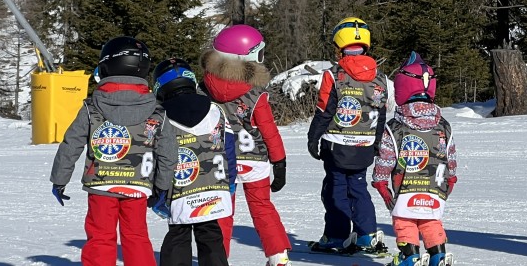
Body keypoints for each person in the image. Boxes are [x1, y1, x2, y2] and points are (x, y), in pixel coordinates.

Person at [49, 36, 177, 266]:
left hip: (101, 184)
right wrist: (162, 186)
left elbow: (72, 144)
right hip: (138, 185)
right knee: (136, 236)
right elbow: (169, 152)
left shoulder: (91, 107)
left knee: (100, 237)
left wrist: (60, 179)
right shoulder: (158, 110)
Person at [201, 24, 291, 266]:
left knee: (221, 210)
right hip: (254, 160)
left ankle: (218, 259)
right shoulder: (255, 91)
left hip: (220, 159)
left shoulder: (205, 87)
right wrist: (279, 160)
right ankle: (278, 255)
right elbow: (268, 130)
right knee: (262, 207)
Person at [307, 17, 389, 254]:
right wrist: (377, 141)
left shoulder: (333, 75)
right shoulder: (380, 77)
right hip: (364, 144)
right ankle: (366, 235)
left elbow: (324, 110)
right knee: (358, 187)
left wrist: (313, 137)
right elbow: (380, 113)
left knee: (335, 188)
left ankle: (336, 236)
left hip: (337, 144)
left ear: (340, 43)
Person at [371, 52, 458, 266]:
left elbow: (386, 157)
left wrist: (379, 180)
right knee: (431, 220)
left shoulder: (396, 127)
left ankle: (409, 256)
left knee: (404, 220)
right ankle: (438, 255)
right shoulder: (443, 124)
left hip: (405, 186)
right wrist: (452, 178)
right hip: (435, 186)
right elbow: (450, 154)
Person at [151, 58, 237, 266]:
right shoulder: (216, 110)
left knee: (178, 235)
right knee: (211, 235)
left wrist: (157, 191)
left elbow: (156, 155)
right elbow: (230, 147)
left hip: (180, 189)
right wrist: (231, 180)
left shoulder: (160, 116)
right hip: (214, 186)